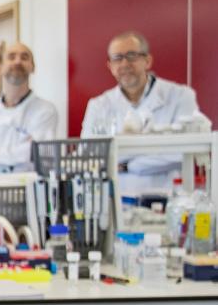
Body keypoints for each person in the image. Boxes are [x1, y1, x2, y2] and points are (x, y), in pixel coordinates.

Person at [81, 31, 201, 193]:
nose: (124, 64)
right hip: (116, 199)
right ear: (110, 66)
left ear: (147, 61)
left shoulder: (180, 96)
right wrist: (156, 149)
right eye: (117, 58)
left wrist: (125, 164)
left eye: (132, 56)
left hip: (167, 197)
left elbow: (181, 154)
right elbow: (89, 157)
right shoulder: (98, 105)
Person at [0, 42, 58, 172]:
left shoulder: (46, 111)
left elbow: (37, 152)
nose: (18, 61)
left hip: (27, 190)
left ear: (32, 67)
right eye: (11, 57)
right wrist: (21, 150)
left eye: (24, 57)